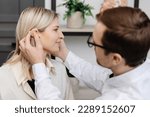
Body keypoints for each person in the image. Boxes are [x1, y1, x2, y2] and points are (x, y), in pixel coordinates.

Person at [20, 6, 150, 100]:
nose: (62, 36)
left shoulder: (123, 100)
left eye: (94, 43)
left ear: (115, 58)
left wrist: (38, 65)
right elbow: (101, 78)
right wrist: (64, 54)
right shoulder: (139, 67)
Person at [0, 6, 74, 100]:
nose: (62, 36)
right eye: (55, 29)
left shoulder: (60, 70)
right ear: (34, 34)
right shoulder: (3, 77)